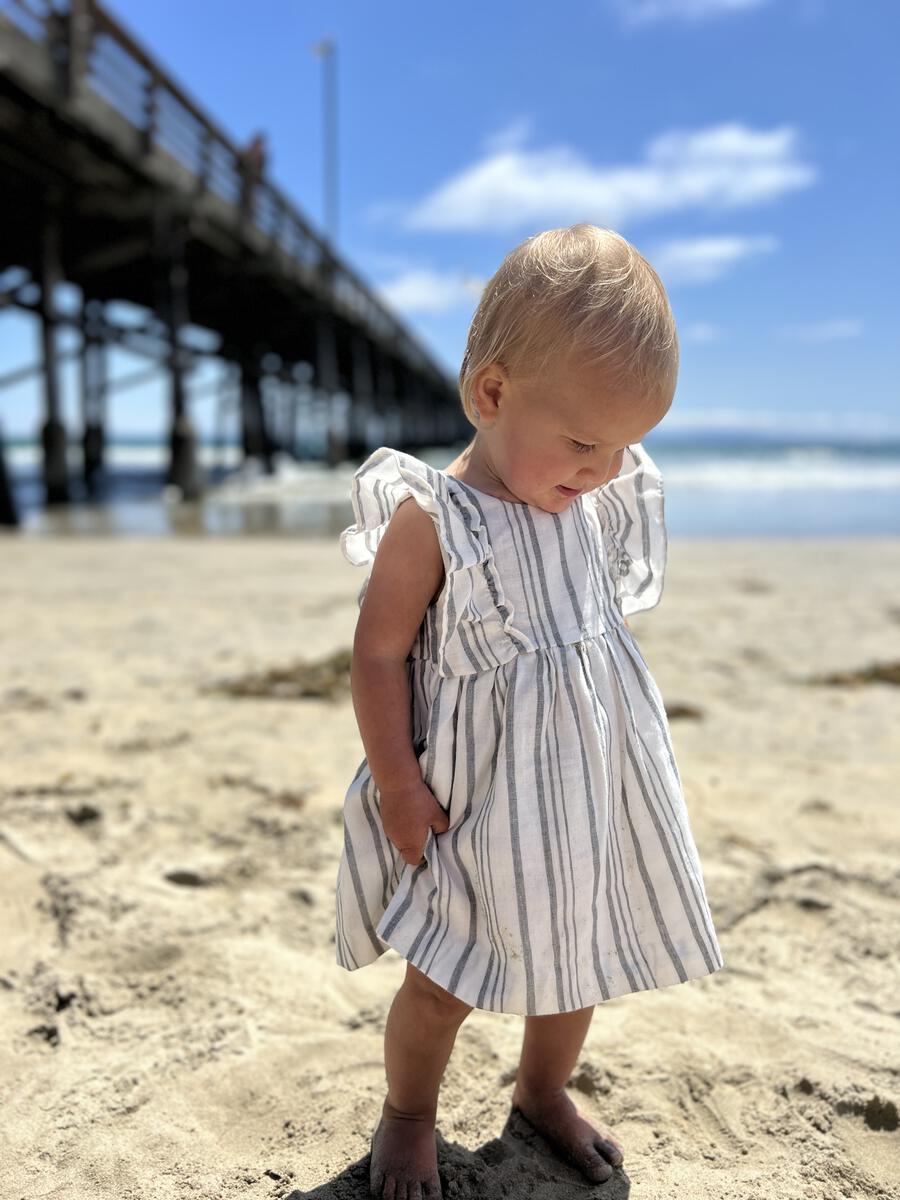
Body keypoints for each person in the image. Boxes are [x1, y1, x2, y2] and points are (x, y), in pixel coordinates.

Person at [334, 224, 726, 1199]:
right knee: (444, 978)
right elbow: (379, 652)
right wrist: (396, 782)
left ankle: (542, 1092)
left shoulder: (589, 498)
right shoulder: (436, 520)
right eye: (585, 442)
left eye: (625, 448)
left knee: (579, 957)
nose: (602, 471)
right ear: (493, 395)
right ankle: (409, 1114)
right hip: (475, 801)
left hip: (590, 788)